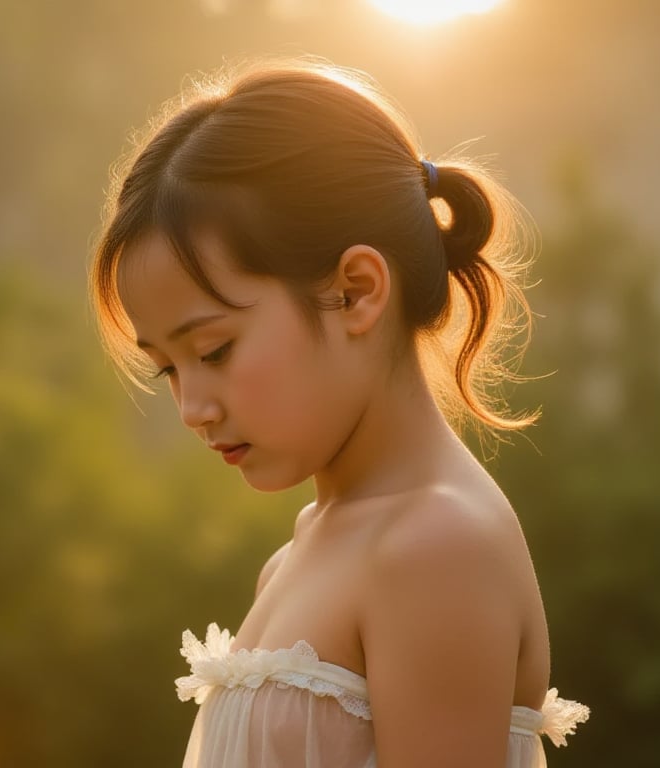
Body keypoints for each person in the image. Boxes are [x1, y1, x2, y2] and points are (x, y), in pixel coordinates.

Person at [90, 60, 589, 768]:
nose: (192, 409)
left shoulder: (436, 545)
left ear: (355, 292)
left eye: (216, 349)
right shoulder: (298, 556)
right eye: (169, 368)